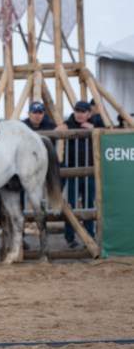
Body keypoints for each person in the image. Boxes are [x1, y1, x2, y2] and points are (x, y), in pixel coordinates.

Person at [55, 100, 104, 249]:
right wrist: (61, 129)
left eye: (83, 111)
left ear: (89, 113)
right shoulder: (68, 122)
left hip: (89, 171)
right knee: (71, 204)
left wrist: (94, 128)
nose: (80, 114)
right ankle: (70, 237)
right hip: (71, 171)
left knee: (89, 203)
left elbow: (107, 131)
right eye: (77, 111)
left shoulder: (96, 122)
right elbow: (55, 131)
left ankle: (89, 235)